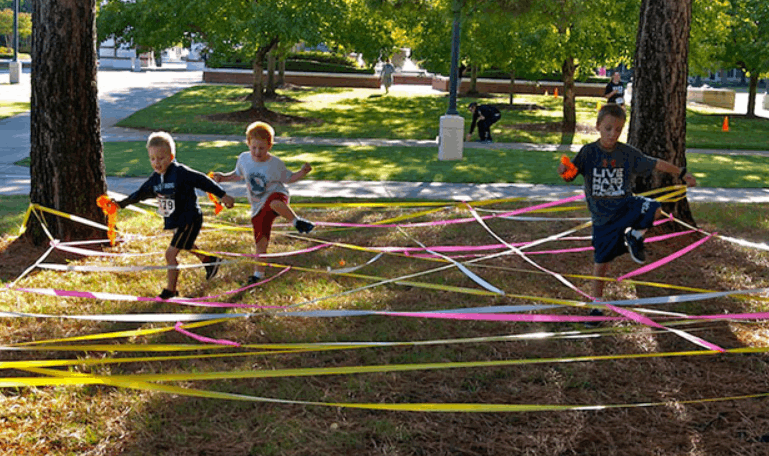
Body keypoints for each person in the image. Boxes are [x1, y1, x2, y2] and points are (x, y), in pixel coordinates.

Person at [557, 104, 696, 301]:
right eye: (608, 128)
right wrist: (564, 170)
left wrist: (681, 173)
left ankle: (635, 235)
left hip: (626, 206)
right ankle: (596, 306)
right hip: (603, 219)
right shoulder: (588, 152)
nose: (613, 134)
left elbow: (654, 162)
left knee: (655, 208)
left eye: (618, 130)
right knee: (601, 263)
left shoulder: (626, 153)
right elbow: (570, 174)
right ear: (597, 126)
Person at [112, 132, 235, 300]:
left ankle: (170, 290)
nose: (157, 163)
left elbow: (203, 181)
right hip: (175, 220)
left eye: (161, 158)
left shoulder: (180, 172)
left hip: (189, 219)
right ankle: (210, 261)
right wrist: (121, 204)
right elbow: (140, 193)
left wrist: (223, 195)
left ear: (171, 156)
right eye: (152, 159)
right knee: (185, 244)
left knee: (170, 254)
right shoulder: (155, 179)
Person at [212, 121, 314, 285]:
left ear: (270, 146)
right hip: (258, 205)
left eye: (262, 148)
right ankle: (258, 275)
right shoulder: (244, 159)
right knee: (260, 242)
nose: (257, 152)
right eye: (254, 148)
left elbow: (288, 179)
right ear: (248, 144)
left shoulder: (275, 164)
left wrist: (302, 172)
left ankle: (297, 221)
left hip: (277, 195)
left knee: (274, 203)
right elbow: (237, 175)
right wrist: (222, 177)